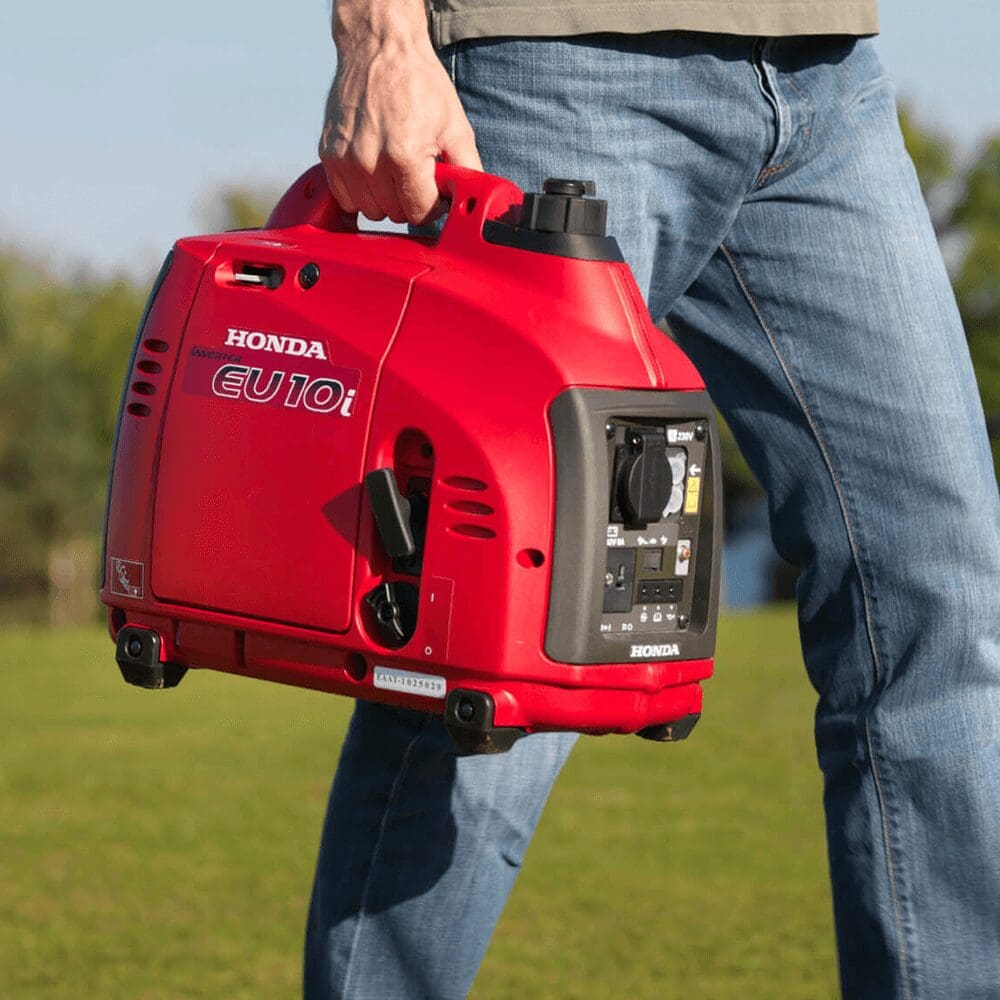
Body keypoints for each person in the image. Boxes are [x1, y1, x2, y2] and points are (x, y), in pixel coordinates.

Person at [303, 1, 1000, 997]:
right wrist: (379, 34)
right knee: (492, 643)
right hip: (559, 58)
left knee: (940, 596)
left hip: (826, 73)